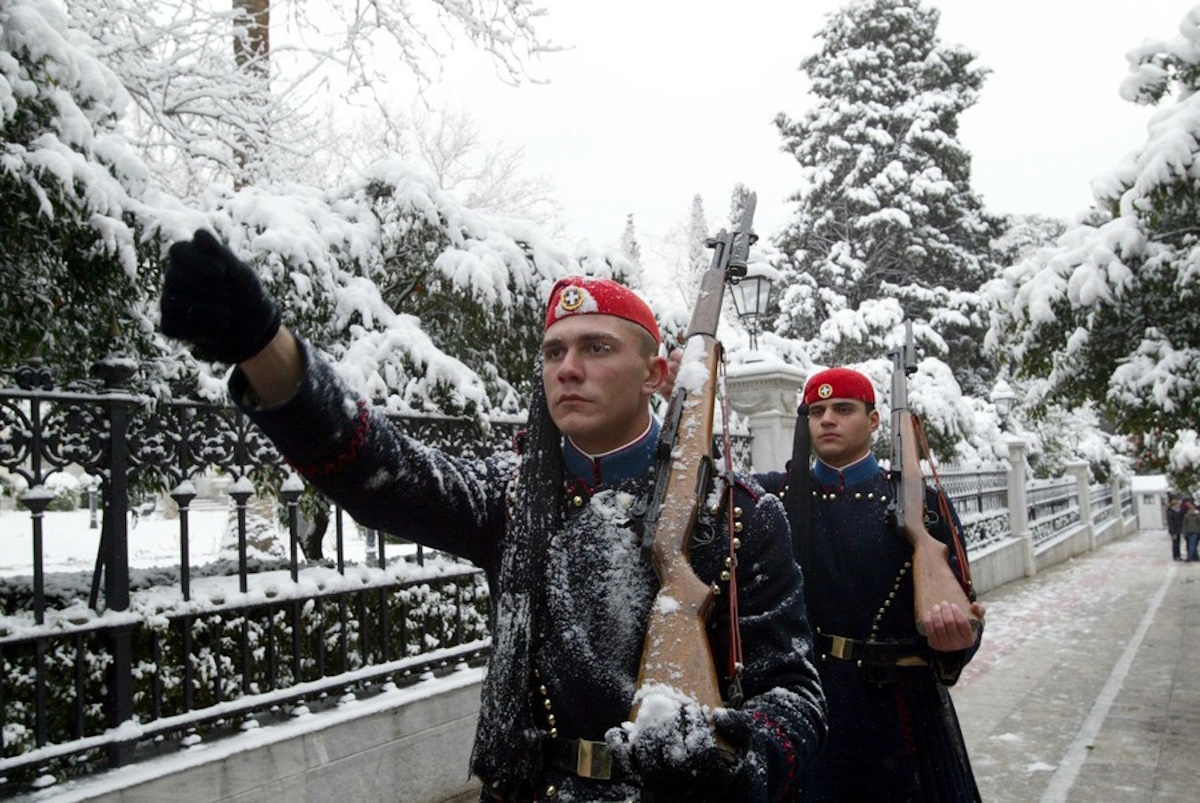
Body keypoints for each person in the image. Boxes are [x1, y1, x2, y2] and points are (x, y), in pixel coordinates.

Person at [160, 230, 827, 802]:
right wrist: (266, 348)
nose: (567, 368)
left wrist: (729, 754)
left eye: (596, 348)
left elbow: (795, 698)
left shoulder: (736, 514)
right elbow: (383, 471)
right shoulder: (513, 497)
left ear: (656, 373)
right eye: (553, 351)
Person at [663, 355, 983, 800]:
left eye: (844, 409)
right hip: (816, 699)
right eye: (816, 411)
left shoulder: (919, 504)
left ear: (874, 421)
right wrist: (686, 401)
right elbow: (703, 486)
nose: (827, 420)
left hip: (903, 710)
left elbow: (964, 609)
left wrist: (956, 644)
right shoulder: (772, 496)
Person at [1182, 497, 1200, 563]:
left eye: (1193, 509)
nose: (1192, 510)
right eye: (1191, 509)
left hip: (1196, 532)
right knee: (1192, 544)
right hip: (1189, 531)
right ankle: (1195, 557)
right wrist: (1184, 532)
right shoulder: (1186, 516)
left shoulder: (1197, 515)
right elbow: (1184, 524)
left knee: (1192, 544)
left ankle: (1190, 557)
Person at [1166, 494, 1183, 561]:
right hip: (1174, 530)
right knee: (1175, 543)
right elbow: (1171, 523)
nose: (1178, 506)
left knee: (1178, 543)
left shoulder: (1177, 511)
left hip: (1178, 530)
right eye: (1177, 505)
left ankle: (1178, 555)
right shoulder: (1170, 512)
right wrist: (1173, 533)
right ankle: (1175, 556)